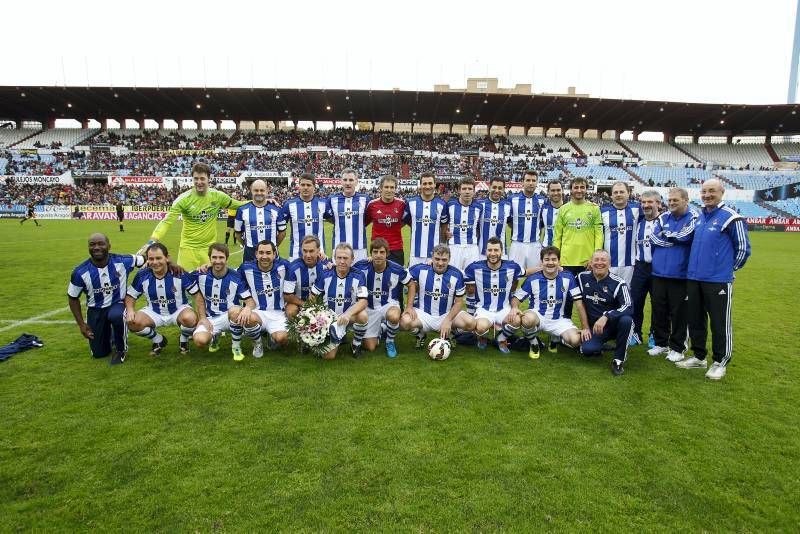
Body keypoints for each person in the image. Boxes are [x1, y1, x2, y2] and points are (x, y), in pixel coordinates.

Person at [679, 179, 751, 380]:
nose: (707, 195)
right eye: (704, 191)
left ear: (722, 192)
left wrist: (728, 271)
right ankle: (699, 356)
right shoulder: (700, 217)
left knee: (720, 323)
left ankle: (720, 362)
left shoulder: (731, 218)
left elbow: (743, 249)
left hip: (717, 281)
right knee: (695, 320)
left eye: (712, 191)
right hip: (694, 279)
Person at [143, 162, 247, 270]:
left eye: (202, 178)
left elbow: (238, 205)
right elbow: (167, 221)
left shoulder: (218, 196)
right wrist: (153, 239)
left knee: (208, 285)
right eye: (196, 179)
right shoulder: (183, 199)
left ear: (208, 179)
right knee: (184, 285)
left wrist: (262, 200)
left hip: (209, 251)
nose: (199, 182)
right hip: (187, 250)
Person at [67, 233, 145, 365]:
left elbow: (145, 259)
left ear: (109, 246)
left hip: (117, 304)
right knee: (99, 354)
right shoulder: (80, 272)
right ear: (88, 248)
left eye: (100, 244)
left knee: (116, 315)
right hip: (95, 310)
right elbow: (72, 298)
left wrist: (170, 263)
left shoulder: (123, 261)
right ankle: (111, 334)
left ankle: (121, 350)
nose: (96, 247)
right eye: (92, 244)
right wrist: (81, 324)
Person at [508, 246, 590, 359]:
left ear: (559, 261)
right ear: (541, 262)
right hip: (538, 316)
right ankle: (534, 344)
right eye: (547, 259)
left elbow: (579, 304)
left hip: (559, 320)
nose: (550, 263)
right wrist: (514, 307)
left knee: (575, 341)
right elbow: (516, 298)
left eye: (553, 259)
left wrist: (585, 327)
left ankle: (555, 338)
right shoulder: (533, 279)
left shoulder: (568, 277)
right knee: (527, 319)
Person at [647, 187, 698, 363]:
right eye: (669, 201)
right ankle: (661, 343)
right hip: (659, 272)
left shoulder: (693, 217)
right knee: (659, 310)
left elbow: (685, 236)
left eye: (675, 200)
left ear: (686, 200)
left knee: (679, 313)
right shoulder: (663, 217)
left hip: (680, 274)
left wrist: (668, 236)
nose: (671, 203)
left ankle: (678, 347)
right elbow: (652, 237)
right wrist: (671, 239)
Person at [125, 243, 202, 356]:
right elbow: (130, 296)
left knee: (190, 319)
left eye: (159, 258)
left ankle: (184, 338)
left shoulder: (179, 273)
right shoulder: (142, 275)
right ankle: (158, 340)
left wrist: (202, 317)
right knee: (132, 323)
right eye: (151, 259)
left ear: (167, 258)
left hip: (178, 309)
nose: (155, 262)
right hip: (154, 311)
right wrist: (130, 310)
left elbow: (197, 295)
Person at [400, 244, 476, 349]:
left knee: (471, 323)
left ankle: (451, 334)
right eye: (437, 259)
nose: (440, 263)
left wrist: (448, 320)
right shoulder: (421, 269)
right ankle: (420, 334)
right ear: (432, 257)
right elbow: (401, 273)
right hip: (423, 314)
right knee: (404, 322)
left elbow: (459, 302)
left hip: (446, 314)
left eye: (444, 260)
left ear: (449, 259)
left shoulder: (457, 274)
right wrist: (409, 306)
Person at [190, 243, 255, 362]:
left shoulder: (235, 277)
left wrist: (247, 308)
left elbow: (250, 301)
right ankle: (214, 338)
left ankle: (236, 347)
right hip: (209, 318)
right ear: (209, 258)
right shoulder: (200, 274)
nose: (217, 261)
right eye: (214, 257)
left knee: (235, 311)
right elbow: (180, 277)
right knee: (200, 341)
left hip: (229, 317)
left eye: (221, 257)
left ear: (227, 258)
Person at [577, 250, 635, 376]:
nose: (599, 263)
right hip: (595, 328)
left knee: (627, 320)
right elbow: (566, 281)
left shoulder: (619, 283)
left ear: (609, 263)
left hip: (614, 325)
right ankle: (600, 345)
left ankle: (618, 360)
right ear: (590, 263)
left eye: (603, 260)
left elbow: (629, 306)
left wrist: (607, 316)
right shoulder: (582, 277)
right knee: (587, 350)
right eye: (596, 260)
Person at [310, 242, 369, 359]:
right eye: (339, 258)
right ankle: (335, 334)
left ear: (352, 259)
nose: (342, 261)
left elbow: (363, 301)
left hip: (348, 317)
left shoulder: (359, 275)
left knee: (363, 316)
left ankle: (356, 345)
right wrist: (312, 317)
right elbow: (312, 297)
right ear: (334, 258)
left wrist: (347, 314)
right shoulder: (325, 274)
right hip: (329, 319)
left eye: (346, 258)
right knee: (328, 357)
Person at [352, 238, 410, 358]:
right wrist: (330, 265)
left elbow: (411, 284)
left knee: (394, 316)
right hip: (369, 308)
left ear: (387, 254)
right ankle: (383, 328)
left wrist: (409, 307)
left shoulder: (396, 269)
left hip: (388, 305)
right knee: (370, 347)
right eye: (375, 252)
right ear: (371, 253)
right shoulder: (361, 266)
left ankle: (390, 341)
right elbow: (345, 269)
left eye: (382, 252)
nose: (378, 255)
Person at [233, 240, 292, 358]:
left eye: (268, 253)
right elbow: (228, 274)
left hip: (278, 313)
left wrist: (326, 262)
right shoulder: (246, 268)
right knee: (247, 317)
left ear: (274, 254)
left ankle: (272, 337)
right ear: (256, 254)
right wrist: (208, 266)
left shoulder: (284, 266)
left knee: (283, 339)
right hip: (258, 312)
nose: (264, 256)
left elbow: (304, 266)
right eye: (261, 253)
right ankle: (258, 343)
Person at [464, 237, 522, 353]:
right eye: (490, 250)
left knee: (517, 320)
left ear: (502, 252)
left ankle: (501, 339)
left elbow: (526, 272)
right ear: (486, 251)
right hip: (484, 309)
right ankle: (483, 337)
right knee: (480, 327)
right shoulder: (474, 268)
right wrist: (432, 264)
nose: (493, 253)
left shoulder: (512, 267)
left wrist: (543, 268)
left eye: (496, 250)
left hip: (504, 309)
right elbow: (457, 275)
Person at [553, 177, 604, 276]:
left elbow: (599, 235)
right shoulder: (563, 209)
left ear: (586, 189)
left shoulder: (595, 209)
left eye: (582, 187)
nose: (579, 190)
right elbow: (557, 237)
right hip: (566, 261)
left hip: (588, 261)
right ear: (571, 189)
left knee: (586, 291)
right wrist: (556, 258)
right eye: (576, 187)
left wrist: (595, 258)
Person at [629, 190, 661, 346]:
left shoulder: (664, 221)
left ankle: (655, 335)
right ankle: (635, 333)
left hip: (658, 269)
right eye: (643, 202)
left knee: (658, 304)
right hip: (640, 267)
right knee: (635, 302)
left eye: (650, 202)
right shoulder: (638, 222)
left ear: (658, 204)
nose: (646, 205)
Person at [279, 173, 328, 259]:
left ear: (314, 187)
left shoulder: (323, 204)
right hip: (296, 255)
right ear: (299, 186)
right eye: (303, 185)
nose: (305, 187)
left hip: (319, 254)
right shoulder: (289, 205)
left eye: (308, 185)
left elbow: (335, 219)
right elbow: (279, 225)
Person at [235, 179, 286, 263]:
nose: (259, 193)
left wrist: (273, 246)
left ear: (267, 191)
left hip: (271, 254)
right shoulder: (242, 210)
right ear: (251, 191)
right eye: (256, 190)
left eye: (262, 190)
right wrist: (247, 245)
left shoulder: (276, 209)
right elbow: (237, 234)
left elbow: (282, 233)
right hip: (250, 255)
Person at [404, 172, 448, 267]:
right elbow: (406, 222)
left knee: (432, 281)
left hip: (435, 254)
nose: (427, 186)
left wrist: (443, 246)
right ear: (420, 185)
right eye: (424, 183)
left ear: (435, 184)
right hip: (415, 253)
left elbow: (444, 226)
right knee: (414, 281)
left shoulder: (442, 204)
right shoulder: (411, 203)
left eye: (430, 183)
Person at [601, 182, 641, 285]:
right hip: (609, 263)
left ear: (628, 193)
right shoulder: (602, 211)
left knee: (627, 295)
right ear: (611, 195)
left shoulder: (637, 209)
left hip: (630, 264)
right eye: (616, 192)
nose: (618, 194)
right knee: (609, 296)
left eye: (622, 192)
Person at [326, 168, 370, 261]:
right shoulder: (332, 199)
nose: (348, 183)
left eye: (351, 180)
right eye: (345, 180)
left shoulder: (365, 199)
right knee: (339, 275)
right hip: (339, 248)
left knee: (361, 275)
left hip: (360, 248)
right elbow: (330, 218)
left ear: (356, 181)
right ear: (341, 181)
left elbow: (368, 219)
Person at [508, 170, 546, 271]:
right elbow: (508, 220)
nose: (531, 183)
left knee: (536, 276)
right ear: (522, 182)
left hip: (535, 245)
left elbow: (543, 222)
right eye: (528, 180)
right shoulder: (512, 199)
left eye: (533, 180)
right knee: (513, 276)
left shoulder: (542, 200)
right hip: (517, 245)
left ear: (537, 183)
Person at [365, 175, 406, 266]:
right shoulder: (372, 205)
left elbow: (405, 221)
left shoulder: (401, 204)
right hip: (377, 249)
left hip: (396, 249)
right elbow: (364, 223)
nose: (389, 190)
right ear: (380, 188)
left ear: (396, 189)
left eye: (392, 187)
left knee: (396, 279)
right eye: (386, 187)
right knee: (377, 278)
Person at [443, 177, 482, 272]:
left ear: (474, 191)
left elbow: (479, 227)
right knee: (453, 278)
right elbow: (443, 224)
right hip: (454, 247)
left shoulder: (479, 207)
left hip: (472, 248)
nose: (467, 192)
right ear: (459, 190)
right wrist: (445, 233)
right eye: (464, 189)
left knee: (471, 280)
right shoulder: (450, 205)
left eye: (470, 189)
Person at [284, 235, 328, 319]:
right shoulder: (293, 268)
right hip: (298, 302)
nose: (308, 255)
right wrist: (305, 305)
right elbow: (287, 296)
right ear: (301, 250)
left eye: (311, 251)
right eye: (305, 251)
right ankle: (297, 330)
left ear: (318, 250)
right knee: (291, 311)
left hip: (320, 302)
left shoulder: (326, 266)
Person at [477, 177, 512, 257]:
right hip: (482, 252)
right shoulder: (479, 205)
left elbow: (512, 224)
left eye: (500, 188)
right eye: (494, 187)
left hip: (501, 253)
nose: (497, 190)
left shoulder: (508, 206)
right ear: (489, 188)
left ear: (503, 190)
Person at [539, 180, 564, 248]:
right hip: (547, 249)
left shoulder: (569, 209)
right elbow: (539, 227)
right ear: (548, 192)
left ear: (562, 191)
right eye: (553, 190)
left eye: (558, 190)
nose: (556, 193)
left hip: (565, 250)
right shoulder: (543, 209)